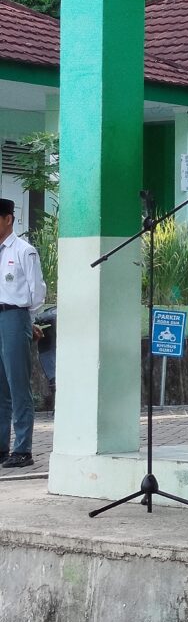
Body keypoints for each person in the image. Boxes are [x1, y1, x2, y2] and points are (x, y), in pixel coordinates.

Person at [0, 198, 46, 468]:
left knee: (18, 385)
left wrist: (28, 320)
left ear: (8, 219)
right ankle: (1, 447)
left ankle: (22, 450)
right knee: (0, 387)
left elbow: (36, 291)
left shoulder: (23, 251)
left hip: (14, 316)